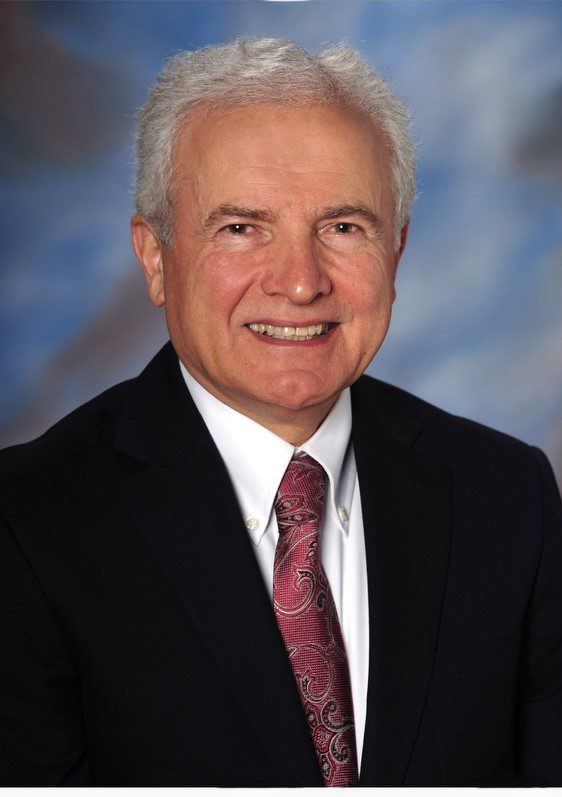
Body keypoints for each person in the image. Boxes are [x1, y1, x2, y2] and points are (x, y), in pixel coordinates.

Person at [1, 37, 561, 787]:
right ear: (156, 257)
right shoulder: (27, 524)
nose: (300, 283)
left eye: (343, 227)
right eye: (241, 227)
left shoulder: (508, 496)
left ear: (396, 252)